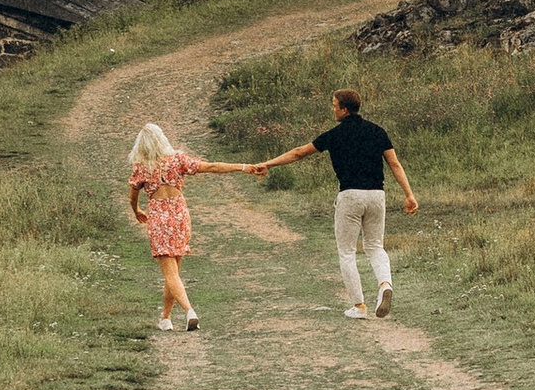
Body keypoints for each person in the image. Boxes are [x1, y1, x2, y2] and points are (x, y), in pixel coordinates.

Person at [250, 87, 419, 318]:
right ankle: (384, 285)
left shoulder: (334, 134)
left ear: (344, 109)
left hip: (350, 196)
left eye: (334, 105)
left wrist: (268, 163)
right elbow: (395, 164)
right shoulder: (378, 131)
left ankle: (359, 306)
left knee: (347, 252)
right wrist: (409, 194)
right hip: (377, 196)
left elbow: (299, 153)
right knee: (375, 246)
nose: (333, 109)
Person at [124, 121, 247, 331]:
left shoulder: (142, 167)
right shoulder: (178, 159)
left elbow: (133, 195)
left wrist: (136, 211)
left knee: (170, 273)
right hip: (180, 215)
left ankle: (190, 311)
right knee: (174, 273)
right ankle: (165, 318)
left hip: (160, 217)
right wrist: (243, 167)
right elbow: (210, 167)